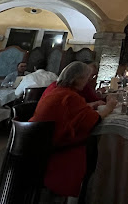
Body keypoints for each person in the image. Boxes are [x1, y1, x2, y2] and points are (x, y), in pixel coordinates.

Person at [30, 61, 117, 198]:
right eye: (86, 77)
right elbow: (94, 120)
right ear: (77, 79)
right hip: (58, 150)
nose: (88, 80)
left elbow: (72, 112)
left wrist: (89, 106)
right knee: (98, 147)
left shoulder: (59, 91)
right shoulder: (70, 96)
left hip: (37, 144)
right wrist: (110, 107)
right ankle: (96, 190)